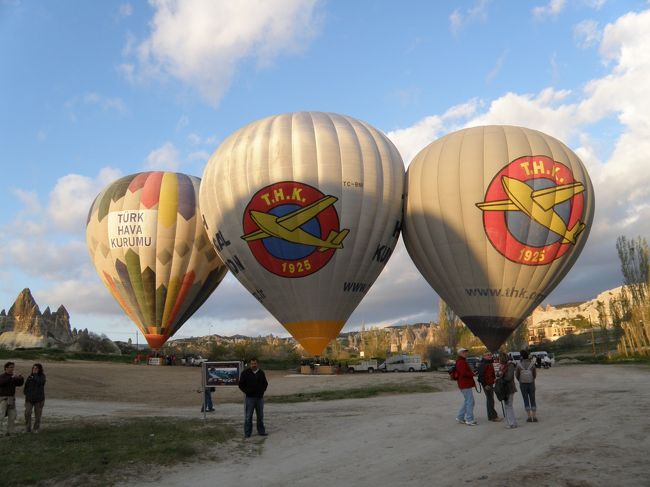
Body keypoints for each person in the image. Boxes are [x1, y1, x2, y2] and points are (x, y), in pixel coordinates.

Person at [238, 357, 268, 438]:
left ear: (257, 364)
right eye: (252, 363)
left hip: (259, 398)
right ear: (249, 364)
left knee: (260, 416)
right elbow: (241, 384)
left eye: (255, 363)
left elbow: (265, 383)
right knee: (248, 416)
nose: (253, 365)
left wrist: (262, 391)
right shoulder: (245, 373)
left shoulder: (261, 372)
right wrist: (247, 391)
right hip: (250, 398)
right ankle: (247, 433)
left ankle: (261, 431)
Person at [0, 362, 25, 436]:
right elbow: (1, 383)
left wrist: (20, 378)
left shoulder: (13, 377)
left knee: (12, 416)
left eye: (13, 367)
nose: (12, 369)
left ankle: (10, 431)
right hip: (3, 399)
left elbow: (19, 383)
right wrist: (11, 377)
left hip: (11, 399)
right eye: (11, 367)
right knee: (1, 415)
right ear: (6, 368)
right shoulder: (2, 376)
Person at [454, 348, 478, 426]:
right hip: (465, 384)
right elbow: (464, 373)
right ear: (460, 353)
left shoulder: (461, 361)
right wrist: (472, 374)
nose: (465, 353)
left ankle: (460, 417)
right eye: (464, 352)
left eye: (465, 352)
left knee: (468, 401)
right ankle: (469, 419)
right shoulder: (461, 362)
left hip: (464, 384)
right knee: (470, 401)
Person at [477, 352, 501, 422]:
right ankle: (493, 417)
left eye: (490, 354)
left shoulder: (489, 363)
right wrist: (485, 385)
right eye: (488, 355)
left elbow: (492, 374)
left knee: (490, 400)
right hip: (487, 385)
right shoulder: (483, 364)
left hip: (490, 384)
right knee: (490, 400)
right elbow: (480, 376)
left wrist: (495, 378)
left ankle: (491, 416)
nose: (490, 356)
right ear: (484, 356)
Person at [23, 363, 46, 433]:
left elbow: (40, 382)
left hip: (39, 399)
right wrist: (26, 393)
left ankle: (36, 428)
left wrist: (35, 375)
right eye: (33, 368)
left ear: (39, 369)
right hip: (29, 399)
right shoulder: (30, 376)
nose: (34, 369)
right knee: (27, 413)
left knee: (38, 415)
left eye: (36, 368)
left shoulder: (42, 376)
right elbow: (26, 386)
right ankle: (28, 428)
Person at [516, 349, 538, 423]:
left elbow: (517, 375)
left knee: (525, 399)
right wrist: (532, 379)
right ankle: (534, 416)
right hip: (531, 383)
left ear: (521, 356)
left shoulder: (519, 364)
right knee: (532, 399)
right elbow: (534, 374)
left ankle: (529, 416)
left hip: (523, 384)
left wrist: (521, 380)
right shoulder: (532, 364)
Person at [498, 353, 518, 429]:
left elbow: (509, 377)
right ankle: (512, 422)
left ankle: (512, 423)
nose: (499, 360)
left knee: (508, 406)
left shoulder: (510, 365)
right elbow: (498, 374)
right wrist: (499, 373)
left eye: (500, 358)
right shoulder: (502, 366)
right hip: (504, 388)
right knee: (508, 406)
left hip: (509, 388)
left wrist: (501, 375)